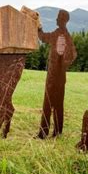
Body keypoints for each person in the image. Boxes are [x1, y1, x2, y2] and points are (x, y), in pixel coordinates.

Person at [36, 9, 77, 139]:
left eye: (58, 17)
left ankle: (47, 133)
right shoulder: (62, 35)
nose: (56, 20)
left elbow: (43, 37)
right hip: (57, 76)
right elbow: (43, 38)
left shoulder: (62, 35)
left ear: (63, 20)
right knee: (56, 103)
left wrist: (63, 64)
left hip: (55, 75)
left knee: (50, 103)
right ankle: (53, 132)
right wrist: (39, 29)